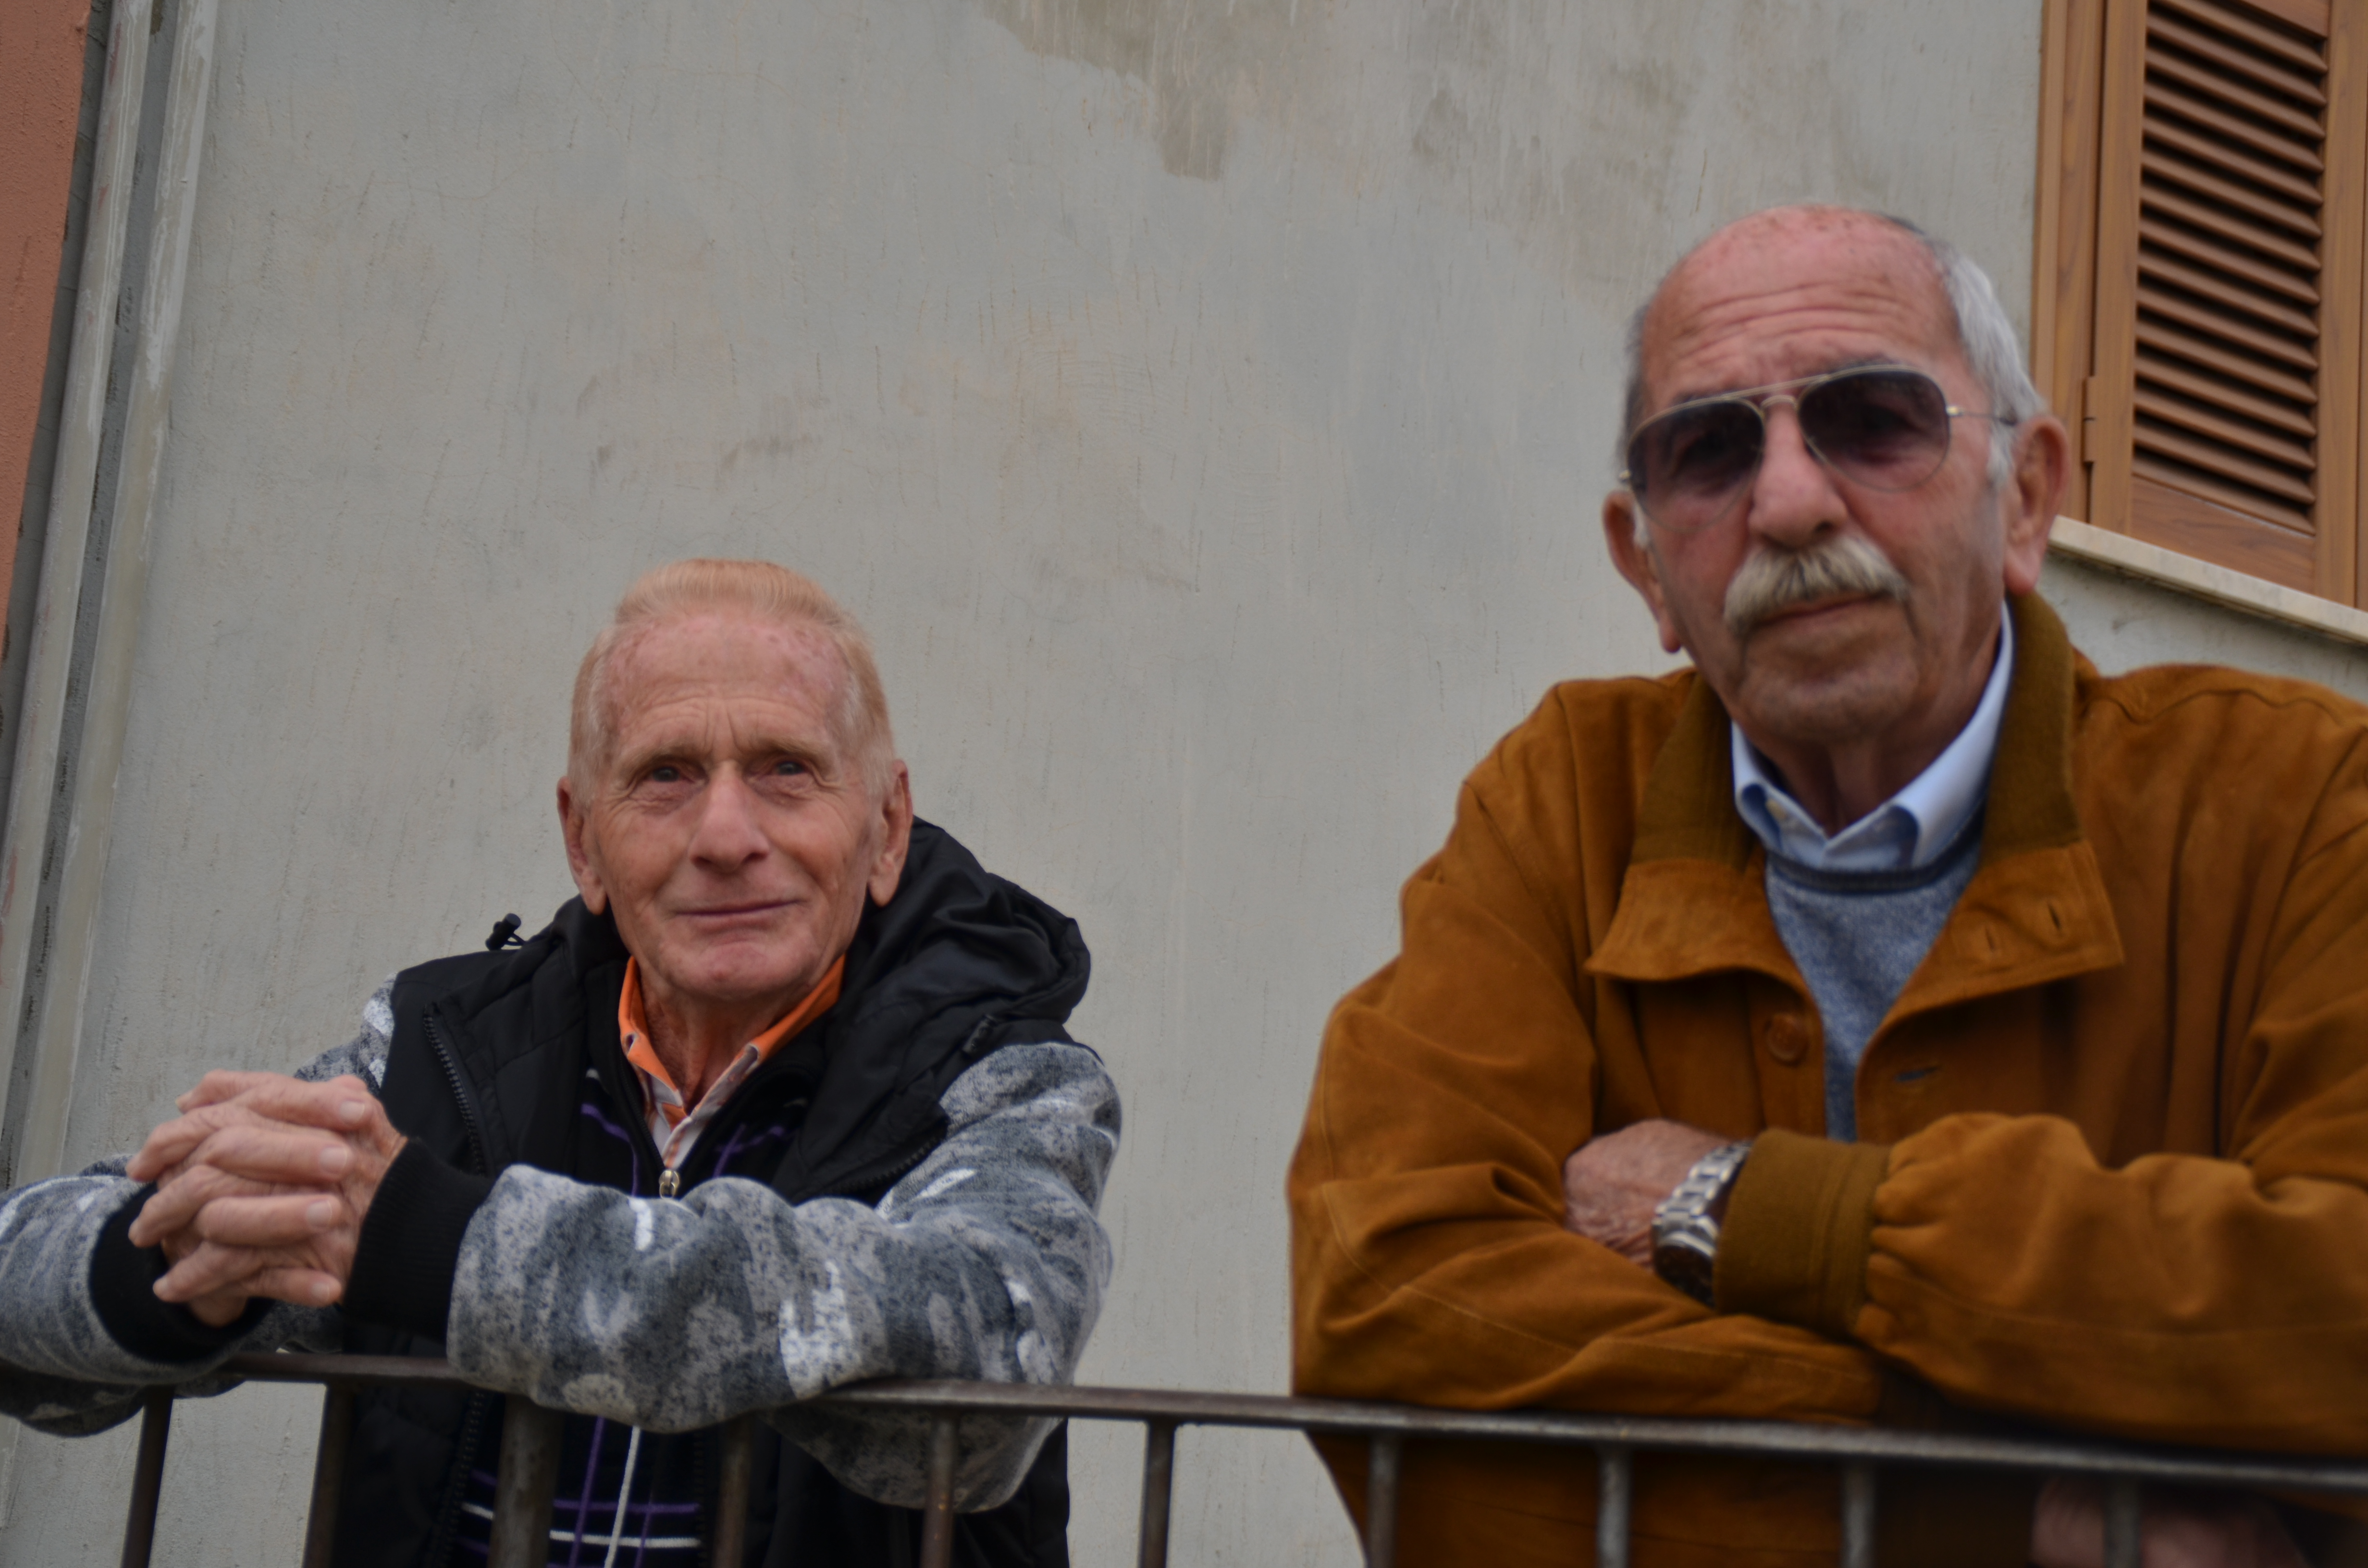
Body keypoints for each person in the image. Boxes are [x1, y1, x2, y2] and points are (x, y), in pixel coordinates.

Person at [1288, 205, 2368, 1568]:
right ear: (1646, 565)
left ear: (2025, 498)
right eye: (1708, 450)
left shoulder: (2298, 799)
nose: (1790, 503)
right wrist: (2024, 1478)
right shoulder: (1562, 801)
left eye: (1873, 422)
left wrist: (1747, 1209)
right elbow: (1385, 1304)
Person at [0, 559, 1121, 1567]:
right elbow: (23, 1269)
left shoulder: (1002, 1079)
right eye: (666, 775)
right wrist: (182, 1258)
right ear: (583, 841)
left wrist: (432, 1240)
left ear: (886, 829)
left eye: (786, 769)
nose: (726, 837)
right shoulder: (445, 1052)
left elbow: (988, 1357)